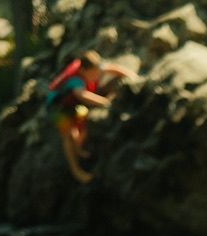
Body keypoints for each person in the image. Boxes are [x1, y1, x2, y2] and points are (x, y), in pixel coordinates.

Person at [45, 50, 138, 184]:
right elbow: (82, 95)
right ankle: (76, 170)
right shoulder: (76, 80)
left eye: (97, 72)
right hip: (56, 108)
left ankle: (79, 148)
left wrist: (131, 76)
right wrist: (106, 102)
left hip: (73, 104)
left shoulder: (92, 66)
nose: (97, 76)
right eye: (93, 74)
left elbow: (112, 68)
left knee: (82, 120)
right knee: (68, 135)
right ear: (83, 70)